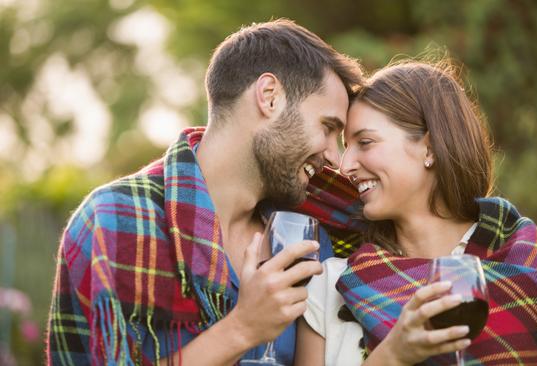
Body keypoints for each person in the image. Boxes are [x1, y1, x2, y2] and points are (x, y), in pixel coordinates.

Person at [46, 19, 365, 365]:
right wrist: (243, 328)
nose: (335, 157)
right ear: (269, 97)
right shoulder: (116, 222)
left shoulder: (307, 239)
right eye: (328, 127)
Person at [294, 59, 537, 365]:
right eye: (345, 146)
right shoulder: (331, 284)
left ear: (429, 148)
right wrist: (391, 356)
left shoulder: (531, 271)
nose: (345, 165)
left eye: (365, 142)